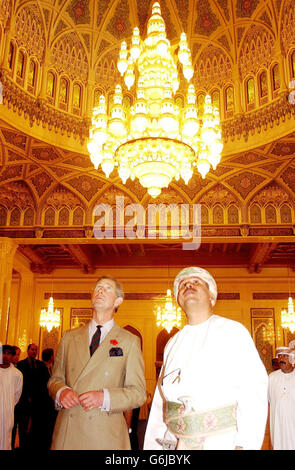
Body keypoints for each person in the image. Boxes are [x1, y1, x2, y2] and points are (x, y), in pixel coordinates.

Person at [144, 266, 268, 450]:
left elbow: (253, 392)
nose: (188, 286)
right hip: (175, 444)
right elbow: (160, 404)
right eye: (183, 285)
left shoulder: (232, 331)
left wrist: (245, 444)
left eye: (196, 283)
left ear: (211, 296)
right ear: (178, 300)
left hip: (222, 442)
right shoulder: (172, 343)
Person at [48, 275, 146, 450]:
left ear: (118, 301)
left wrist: (105, 397)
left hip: (106, 435)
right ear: (91, 296)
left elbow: (138, 393)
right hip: (69, 432)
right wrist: (61, 392)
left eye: (107, 288)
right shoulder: (69, 337)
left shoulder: (129, 341)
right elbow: (55, 379)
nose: (100, 290)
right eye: (97, 287)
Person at [15, 343, 50, 449]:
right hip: (24, 400)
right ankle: (22, 445)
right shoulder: (21, 364)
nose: (34, 351)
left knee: (35, 426)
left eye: (36, 350)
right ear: (28, 350)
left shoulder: (41, 365)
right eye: (32, 349)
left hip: (37, 401)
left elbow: (46, 381)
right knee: (23, 425)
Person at [268, 345, 295, 450]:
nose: (281, 359)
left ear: (292, 358)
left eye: (285, 356)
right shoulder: (272, 377)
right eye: (279, 356)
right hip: (278, 422)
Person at [0, 345, 23, 450]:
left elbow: (17, 396)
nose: (5, 355)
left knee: (6, 440)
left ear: (12, 356)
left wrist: (6, 406)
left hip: (7, 414)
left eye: (9, 353)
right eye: (3, 352)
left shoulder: (17, 374)